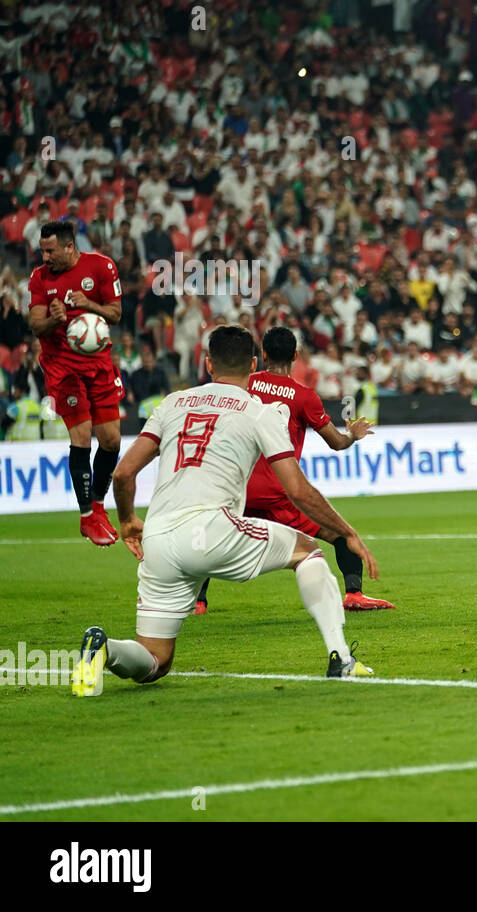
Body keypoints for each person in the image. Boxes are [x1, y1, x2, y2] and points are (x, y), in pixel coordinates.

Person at [70, 326, 380, 696]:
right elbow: (298, 490)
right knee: (308, 551)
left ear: (207, 363)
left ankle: (103, 648)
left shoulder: (172, 403)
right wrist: (347, 532)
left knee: (155, 661)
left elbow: (123, 473)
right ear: (253, 364)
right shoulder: (259, 411)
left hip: (157, 537)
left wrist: (127, 521)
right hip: (210, 529)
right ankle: (341, 659)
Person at [194, 325, 394, 615]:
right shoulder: (304, 396)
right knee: (340, 535)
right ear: (296, 356)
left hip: (237, 488)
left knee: (209, 538)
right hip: (281, 494)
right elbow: (336, 443)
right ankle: (354, 594)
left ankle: (198, 601)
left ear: (261, 355)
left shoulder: (244, 383)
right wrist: (352, 435)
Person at [25, 221, 126, 547]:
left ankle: (98, 506)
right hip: (62, 367)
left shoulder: (101, 266)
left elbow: (115, 314)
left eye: (50, 250)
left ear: (69, 246)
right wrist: (55, 319)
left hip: (98, 363)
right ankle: (86, 518)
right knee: (82, 437)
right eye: (43, 250)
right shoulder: (40, 277)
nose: (45, 256)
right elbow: (36, 325)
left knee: (111, 440)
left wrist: (87, 305)